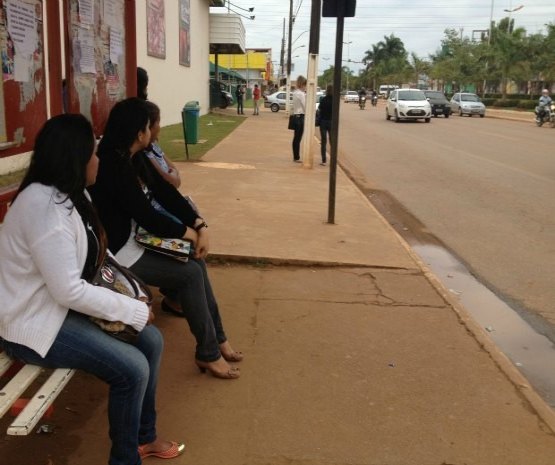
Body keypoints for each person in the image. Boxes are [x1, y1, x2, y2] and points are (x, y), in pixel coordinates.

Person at [0, 114, 183, 464]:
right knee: (132, 368)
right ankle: (125, 458)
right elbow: (68, 290)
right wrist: (132, 311)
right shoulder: (45, 211)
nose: (98, 160)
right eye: (93, 154)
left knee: (152, 341)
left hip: (55, 308)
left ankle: (144, 437)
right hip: (32, 323)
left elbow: (99, 256)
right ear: (76, 159)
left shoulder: (70, 194)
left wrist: (132, 295)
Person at [88, 98, 242, 380]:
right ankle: (208, 353)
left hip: (138, 241)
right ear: (139, 132)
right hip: (118, 253)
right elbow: (145, 214)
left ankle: (218, 340)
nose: (155, 131)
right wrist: (189, 234)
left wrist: (199, 224)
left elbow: (165, 193)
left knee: (196, 265)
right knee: (190, 274)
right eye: (152, 125)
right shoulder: (112, 163)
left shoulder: (135, 156)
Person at [145, 101, 181, 188]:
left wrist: (174, 175)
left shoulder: (154, 145)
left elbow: (175, 172)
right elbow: (172, 181)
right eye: (157, 122)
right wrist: (173, 176)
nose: (159, 127)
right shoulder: (144, 153)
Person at [291, 75, 307, 163]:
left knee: (296, 138)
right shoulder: (301, 94)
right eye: (305, 85)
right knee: (298, 138)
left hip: (295, 116)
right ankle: (296, 157)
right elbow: (305, 107)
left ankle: (296, 156)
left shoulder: (295, 92)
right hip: (300, 117)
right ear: (302, 84)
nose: (305, 87)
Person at [318, 85, 333, 166]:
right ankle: (333, 159)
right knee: (332, 141)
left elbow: (320, 110)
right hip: (331, 122)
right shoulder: (335, 100)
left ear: (327, 90)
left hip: (323, 122)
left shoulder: (323, 99)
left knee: (323, 142)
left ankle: (324, 160)